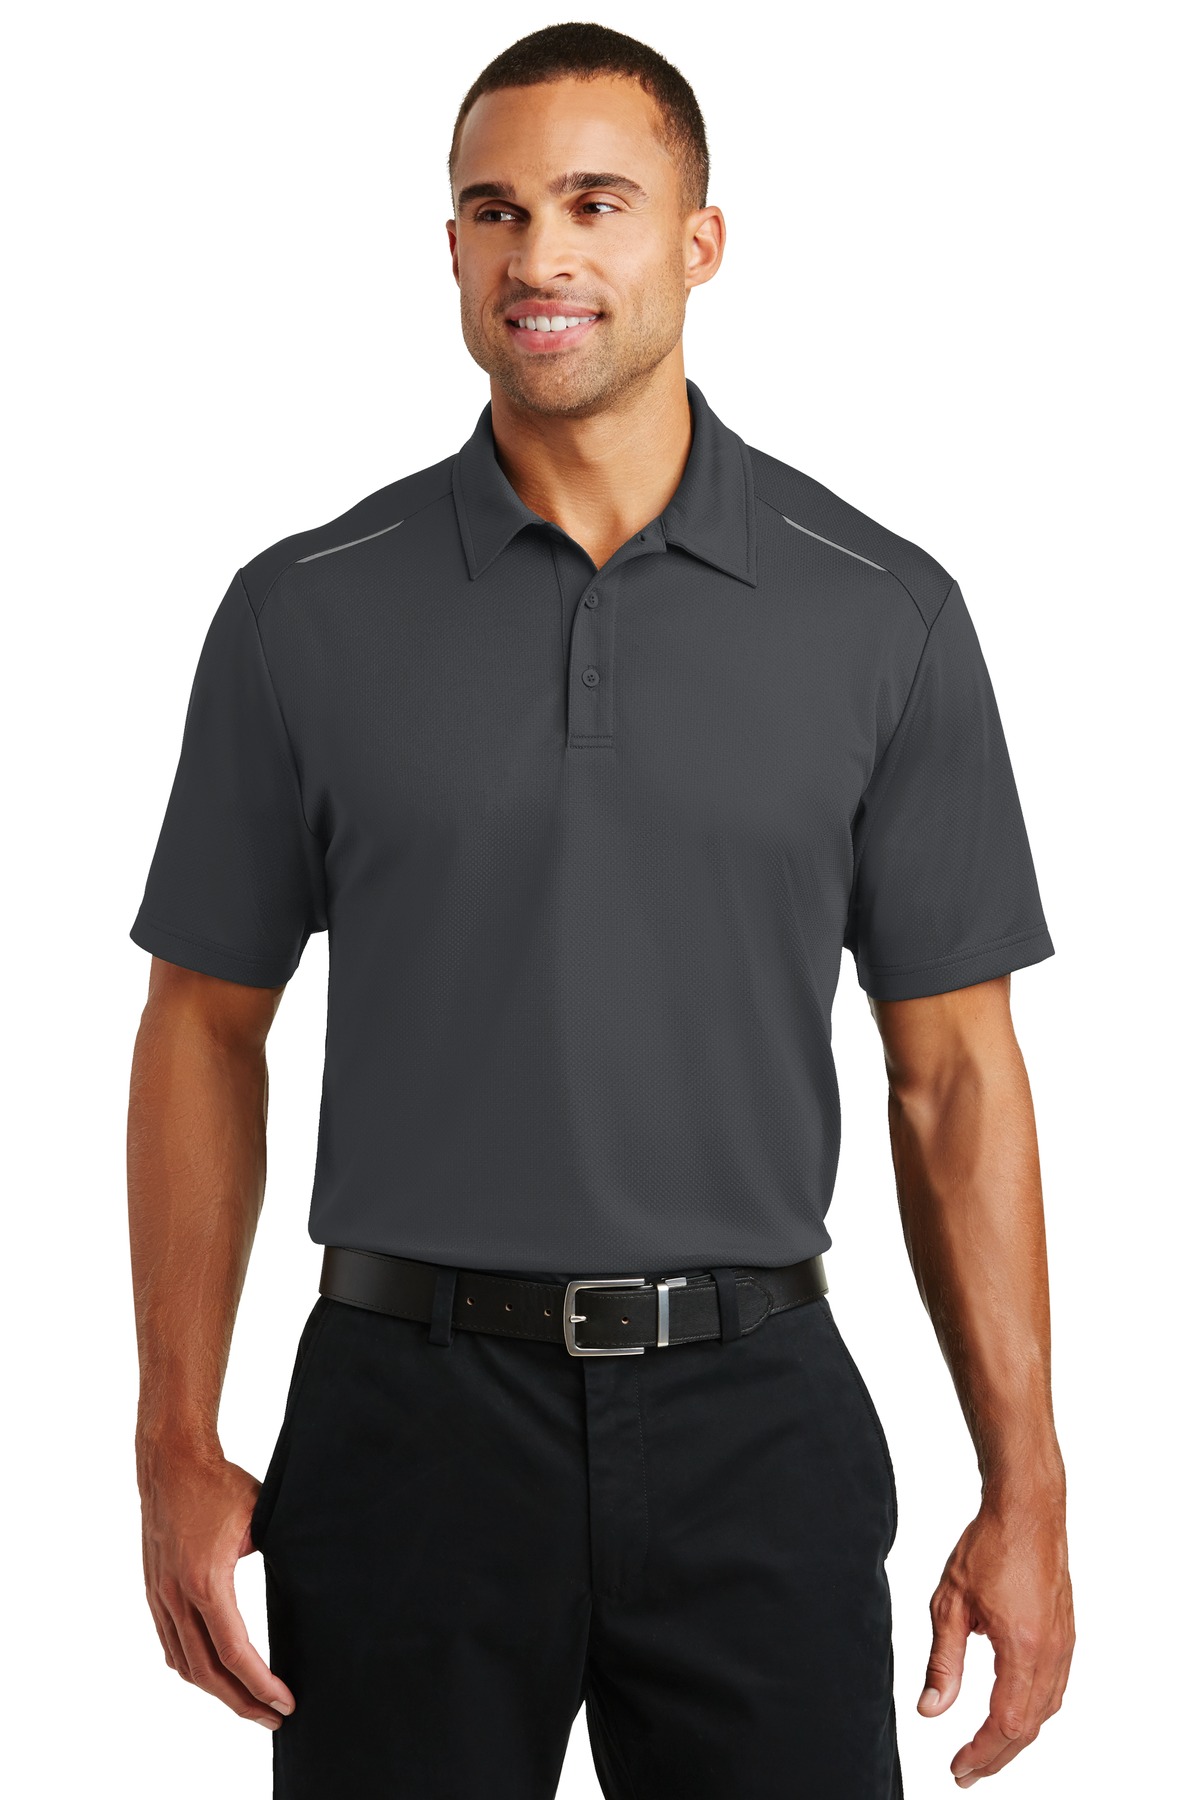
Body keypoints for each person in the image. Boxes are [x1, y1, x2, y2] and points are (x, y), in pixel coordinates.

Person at [127, 22, 1074, 1798]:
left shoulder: (883, 614)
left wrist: (1029, 1489)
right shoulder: (301, 612)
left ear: (700, 241)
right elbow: (202, 1023)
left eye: (593, 203)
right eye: (495, 211)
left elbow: (956, 1076)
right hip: (403, 1418)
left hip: (758, 1416)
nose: (539, 254)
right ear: (451, 251)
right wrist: (172, 1435)